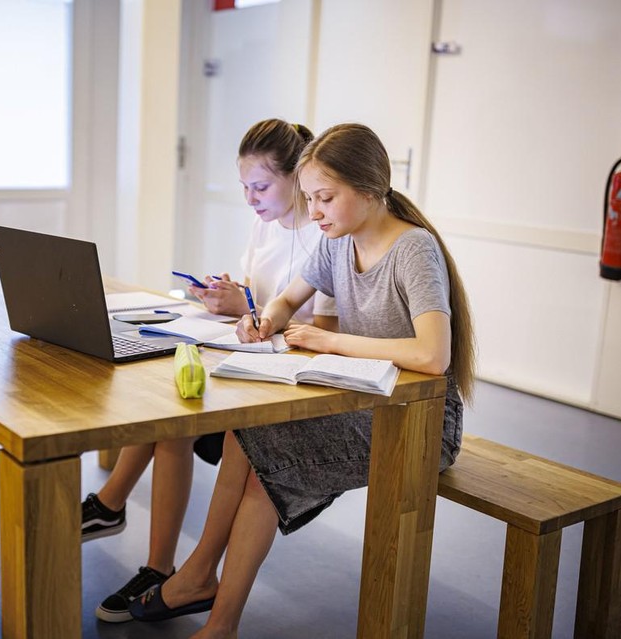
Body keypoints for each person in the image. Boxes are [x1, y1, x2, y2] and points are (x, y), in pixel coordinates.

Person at [129, 122, 476, 639]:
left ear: (369, 188)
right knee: (241, 436)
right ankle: (202, 574)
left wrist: (331, 341)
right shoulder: (339, 242)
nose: (313, 212)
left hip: (420, 422)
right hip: (364, 399)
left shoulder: (413, 249)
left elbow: (432, 355)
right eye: (310, 197)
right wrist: (266, 318)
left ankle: (217, 614)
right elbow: (289, 299)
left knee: (262, 461)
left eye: (325, 198)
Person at [82, 118, 336, 623]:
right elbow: (259, 297)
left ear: (297, 179)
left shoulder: (324, 236)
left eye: (260, 186)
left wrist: (255, 317)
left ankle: (121, 517)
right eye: (244, 187)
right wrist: (232, 299)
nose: (250, 198)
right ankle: (147, 552)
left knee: (177, 418)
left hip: (284, 377)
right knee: (171, 405)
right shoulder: (265, 222)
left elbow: (319, 328)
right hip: (254, 354)